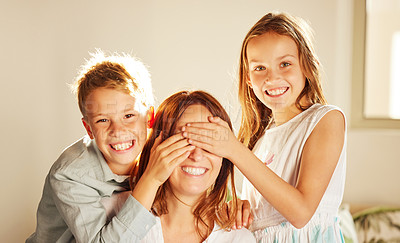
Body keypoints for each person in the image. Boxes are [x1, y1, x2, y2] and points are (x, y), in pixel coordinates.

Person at [181, 12, 346, 242]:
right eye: (260, 68)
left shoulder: (325, 119)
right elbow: (267, 213)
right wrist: (240, 206)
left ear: (308, 67)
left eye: (285, 64)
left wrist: (234, 149)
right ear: (248, 78)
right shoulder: (260, 142)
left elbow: (301, 213)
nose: (272, 78)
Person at [27, 50, 171, 242]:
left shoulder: (158, 152)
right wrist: (151, 180)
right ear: (89, 128)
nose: (118, 130)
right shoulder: (69, 174)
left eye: (128, 116)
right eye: (103, 120)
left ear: (149, 117)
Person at [136, 91, 256, 243]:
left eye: (209, 142)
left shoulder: (238, 239)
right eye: (185, 140)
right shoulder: (117, 214)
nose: (197, 155)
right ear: (157, 147)